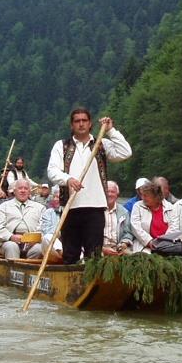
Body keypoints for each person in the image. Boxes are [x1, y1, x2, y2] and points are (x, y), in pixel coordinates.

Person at [46, 108, 132, 264]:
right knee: (71, 254)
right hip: (70, 207)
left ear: (90, 123)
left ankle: (90, 284)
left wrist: (111, 130)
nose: (81, 124)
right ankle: (70, 285)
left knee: (93, 255)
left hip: (95, 207)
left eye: (84, 120)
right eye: (77, 121)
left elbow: (125, 152)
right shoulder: (62, 146)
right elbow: (52, 171)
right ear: (72, 125)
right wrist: (68, 179)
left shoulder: (101, 144)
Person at [0, 179, 45, 259]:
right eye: (20, 188)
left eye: (26, 188)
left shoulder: (40, 208)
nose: (23, 191)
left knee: (39, 249)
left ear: (29, 191)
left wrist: (34, 239)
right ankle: (14, 270)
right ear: (14, 191)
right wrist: (11, 237)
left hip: (32, 244)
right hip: (8, 242)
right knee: (12, 246)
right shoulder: (4, 206)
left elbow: (44, 228)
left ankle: (29, 270)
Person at [127, 179, 182, 253]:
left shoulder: (171, 208)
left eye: (146, 195)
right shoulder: (137, 206)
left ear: (156, 196)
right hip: (144, 245)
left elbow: (174, 227)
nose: (142, 198)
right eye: (142, 195)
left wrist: (163, 242)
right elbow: (135, 227)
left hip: (167, 245)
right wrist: (149, 241)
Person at [103, 180, 133, 255]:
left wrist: (123, 244)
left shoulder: (124, 212)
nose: (109, 194)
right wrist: (102, 249)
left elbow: (128, 232)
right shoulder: (95, 211)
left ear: (117, 194)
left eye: (112, 192)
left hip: (118, 248)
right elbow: (90, 236)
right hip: (100, 248)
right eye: (107, 191)